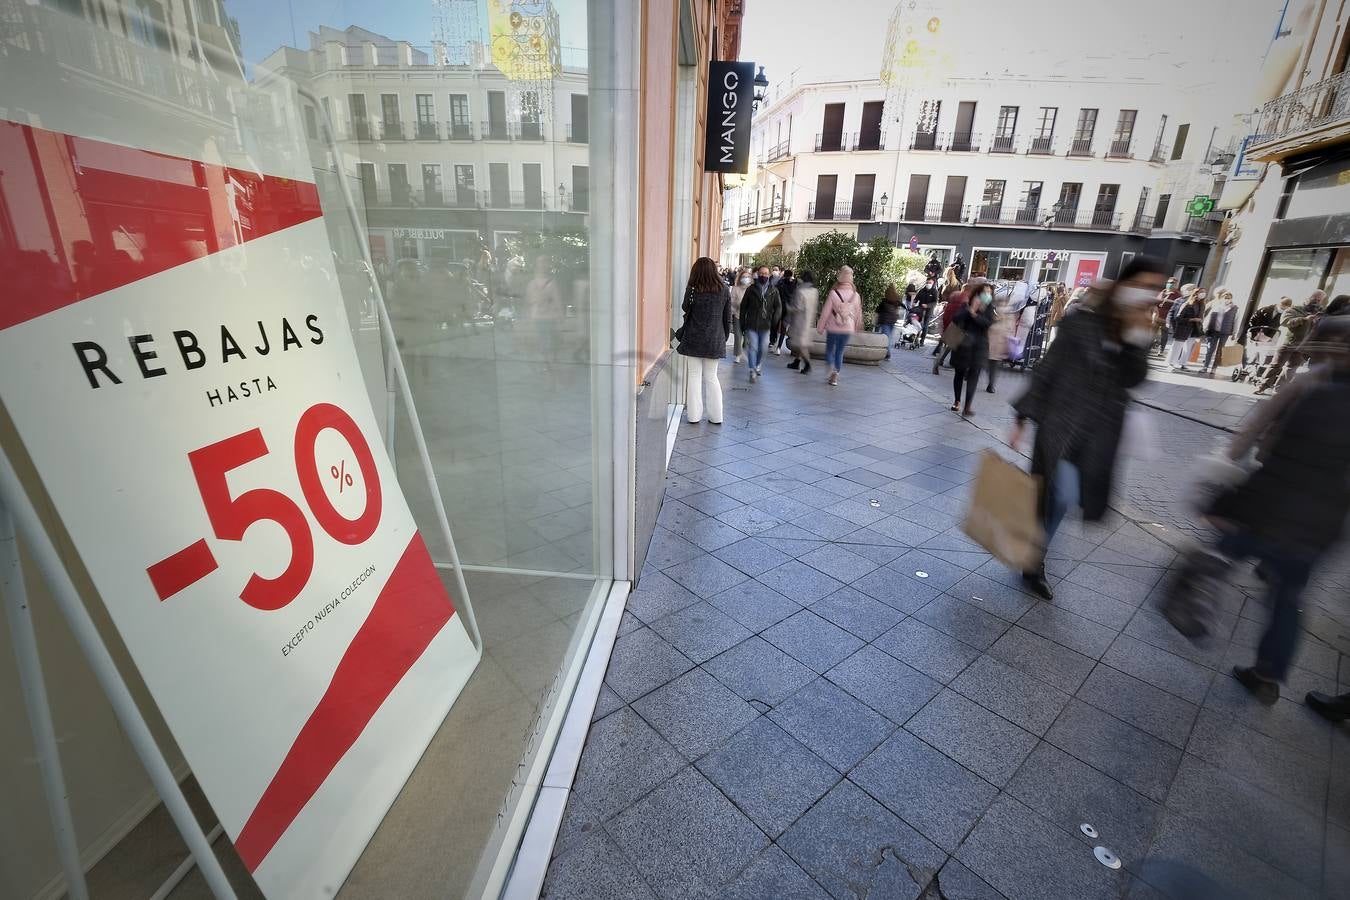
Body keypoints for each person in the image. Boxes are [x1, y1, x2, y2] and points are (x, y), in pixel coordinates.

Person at [1187, 315, 1350, 705]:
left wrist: (1222, 478)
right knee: (1289, 595)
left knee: (1219, 555)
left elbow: (1254, 433)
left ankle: (1190, 610)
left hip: (1271, 503)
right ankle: (1267, 674)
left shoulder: (1309, 386)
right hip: (1324, 520)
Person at [1009, 256, 1167, 600]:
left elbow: (1135, 378)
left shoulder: (1136, 329)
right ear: (1125, 284)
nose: (1148, 294)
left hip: (1100, 433)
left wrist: (1137, 338)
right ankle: (1033, 563)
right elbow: (1048, 368)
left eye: (1154, 289)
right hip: (1061, 424)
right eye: (1142, 286)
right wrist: (1021, 416)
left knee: (1066, 497)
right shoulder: (1081, 322)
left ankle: (1031, 549)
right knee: (1059, 495)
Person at [676, 257, 733, 424]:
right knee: (711, 377)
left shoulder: (693, 288)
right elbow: (727, 317)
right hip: (714, 339)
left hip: (693, 337)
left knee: (694, 376)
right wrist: (723, 337)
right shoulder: (724, 289)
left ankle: (693, 416)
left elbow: (685, 307)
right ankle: (716, 417)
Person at [1254, 290, 1325, 394]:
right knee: (1276, 365)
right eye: (1314, 299)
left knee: (1291, 369)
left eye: (1319, 300)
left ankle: (1279, 389)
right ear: (1307, 298)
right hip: (1288, 343)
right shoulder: (1294, 309)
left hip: (1302, 346)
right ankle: (1261, 387)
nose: (1316, 302)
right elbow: (1284, 322)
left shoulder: (1320, 313)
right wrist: (1304, 319)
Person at [949, 279, 995, 415]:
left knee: (974, 375)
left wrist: (975, 315)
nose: (987, 295)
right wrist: (971, 310)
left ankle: (967, 406)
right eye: (985, 292)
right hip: (964, 345)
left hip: (979, 347)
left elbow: (987, 323)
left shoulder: (989, 308)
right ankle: (957, 400)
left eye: (989, 293)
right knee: (959, 373)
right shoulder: (967, 305)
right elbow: (956, 319)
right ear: (978, 293)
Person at [817, 265, 862, 386]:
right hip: (847, 329)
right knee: (840, 351)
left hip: (833, 328)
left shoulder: (833, 293)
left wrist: (820, 327)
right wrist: (856, 328)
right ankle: (836, 374)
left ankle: (831, 369)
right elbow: (858, 314)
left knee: (829, 350)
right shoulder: (856, 295)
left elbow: (826, 312)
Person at [739, 265, 781, 382]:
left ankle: (758, 364)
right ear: (757, 274)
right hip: (751, 323)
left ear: (769, 275)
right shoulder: (751, 289)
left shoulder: (773, 290)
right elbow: (743, 307)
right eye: (761, 273)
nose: (763, 275)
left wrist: (774, 321)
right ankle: (752, 369)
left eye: (766, 273)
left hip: (765, 324)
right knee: (753, 347)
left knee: (762, 348)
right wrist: (742, 322)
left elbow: (778, 307)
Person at [932, 280, 969, 373]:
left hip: (950, 325)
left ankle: (939, 362)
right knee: (954, 347)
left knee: (948, 347)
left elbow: (946, 314)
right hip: (958, 327)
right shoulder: (965, 300)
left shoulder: (954, 298)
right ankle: (963, 370)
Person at [786, 271, 819, 374]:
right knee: (803, 342)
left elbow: (798, 307)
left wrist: (788, 308)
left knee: (801, 344)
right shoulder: (815, 291)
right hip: (810, 320)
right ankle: (797, 361)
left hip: (800, 321)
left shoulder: (800, 291)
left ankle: (807, 364)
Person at [1201, 287, 1239, 374]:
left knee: (1219, 351)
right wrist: (1204, 328)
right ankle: (1205, 367)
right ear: (1222, 298)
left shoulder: (1235, 308)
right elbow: (1208, 318)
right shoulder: (1217, 306)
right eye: (1225, 297)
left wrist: (1234, 333)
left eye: (1229, 298)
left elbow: (1236, 321)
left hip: (1224, 333)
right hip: (1213, 331)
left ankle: (1214, 368)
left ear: (1231, 299)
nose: (1227, 299)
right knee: (1210, 349)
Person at [1167, 286, 1206, 371]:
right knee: (1177, 346)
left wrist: (1200, 322)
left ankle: (1183, 364)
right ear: (1196, 293)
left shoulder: (1202, 304)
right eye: (1201, 292)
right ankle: (1170, 363)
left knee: (1187, 348)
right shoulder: (1187, 303)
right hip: (1183, 328)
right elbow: (1178, 318)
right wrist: (1192, 319)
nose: (1203, 294)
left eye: (1204, 292)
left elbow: (1201, 317)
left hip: (1194, 329)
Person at [986, 288, 1012, 393]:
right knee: (988, 365)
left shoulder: (1008, 315)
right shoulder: (992, 313)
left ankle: (991, 385)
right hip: (990, 344)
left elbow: (1009, 331)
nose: (1002, 306)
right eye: (1001, 304)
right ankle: (990, 385)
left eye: (1004, 304)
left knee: (993, 366)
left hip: (997, 345)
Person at [1152, 276, 1181, 357]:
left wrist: (1169, 301)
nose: (1169, 284)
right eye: (1168, 283)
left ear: (1176, 285)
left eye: (1172, 283)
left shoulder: (1177, 295)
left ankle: (1161, 350)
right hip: (1157, 316)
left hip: (1166, 318)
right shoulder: (1162, 292)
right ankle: (1149, 348)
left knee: (1164, 335)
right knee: (1152, 333)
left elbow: (1177, 305)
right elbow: (1156, 302)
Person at [729, 267, 752, 363]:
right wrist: (733, 311)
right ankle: (738, 355)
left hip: (749, 317)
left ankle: (745, 352)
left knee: (747, 336)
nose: (745, 278)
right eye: (743, 277)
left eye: (747, 277)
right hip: (737, 315)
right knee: (738, 336)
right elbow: (732, 302)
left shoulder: (752, 289)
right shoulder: (735, 289)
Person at [771, 268, 797, 354]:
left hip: (779, 307)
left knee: (775, 325)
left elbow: (775, 292)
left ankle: (774, 342)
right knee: (783, 329)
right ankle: (778, 348)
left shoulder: (781, 283)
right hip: (789, 308)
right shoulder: (794, 284)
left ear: (784, 274)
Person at [876, 284, 903, 359]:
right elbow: (900, 306)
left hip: (885, 321)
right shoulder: (897, 299)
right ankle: (886, 352)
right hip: (893, 320)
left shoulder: (884, 300)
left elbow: (878, 310)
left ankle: (887, 353)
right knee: (889, 337)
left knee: (886, 337)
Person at [914, 276, 939, 348]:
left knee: (925, 325)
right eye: (927, 283)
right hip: (920, 310)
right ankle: (915, 338)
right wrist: (914, 302)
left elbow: (935, 302)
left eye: (930, 283)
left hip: (928, 310)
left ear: (933, 283)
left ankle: (922, 340)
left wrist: (927, 305)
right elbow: (916, 298)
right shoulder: (922, 290)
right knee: (917, 324)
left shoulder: (934, 291)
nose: (928, 284)